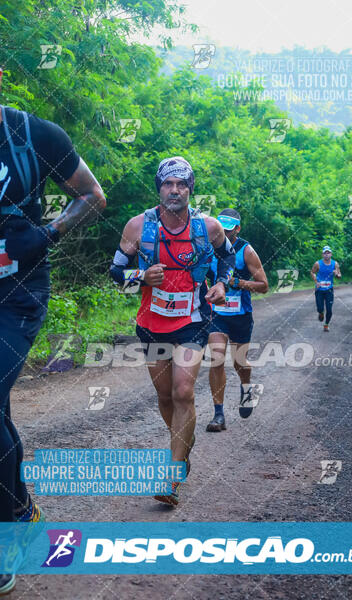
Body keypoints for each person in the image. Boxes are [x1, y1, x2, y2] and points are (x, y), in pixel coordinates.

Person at [0, 70, 106, 594]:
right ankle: (19, 515)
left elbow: (91, 195)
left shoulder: (35, 136)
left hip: (16, 295)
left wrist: (46, 233)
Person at [110, 157, 235, 506]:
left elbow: (227, 258)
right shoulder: (137, 227)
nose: (175, 190)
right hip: (152, 323)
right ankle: (182, 443)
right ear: (160, 189)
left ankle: (172, 473)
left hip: (193, 320)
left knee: (183, 391)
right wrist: (139, 277)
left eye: (182, 184)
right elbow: (115, 272)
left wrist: (223, 284)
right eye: (169, 184)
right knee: (165, 396)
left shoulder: (207, 227)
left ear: (191, 188)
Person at [206, 209, 268, 431]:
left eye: (229, 230)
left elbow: (264, 285)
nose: (224, 233)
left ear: (237, 229)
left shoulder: (247, 251)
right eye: (221, 229)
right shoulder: (209, 247)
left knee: (239, 362)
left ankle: (246, 386)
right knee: (216, 358)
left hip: (241, 315)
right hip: (217, 314)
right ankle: (218, 415)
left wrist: (239, 283)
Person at [310, 246, 341, 332]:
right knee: (320, 308)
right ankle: (321, 313)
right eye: (325, 253)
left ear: (331, 254)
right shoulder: (318, 264)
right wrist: (316, 282)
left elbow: (339, 275)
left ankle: (326, 324)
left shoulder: (335, 264)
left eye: (328, 253)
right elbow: (312, 272)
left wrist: (337, 274)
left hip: (329, 290)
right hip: (319, 290)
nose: (326, 255)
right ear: (322, 254)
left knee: (329, 310)